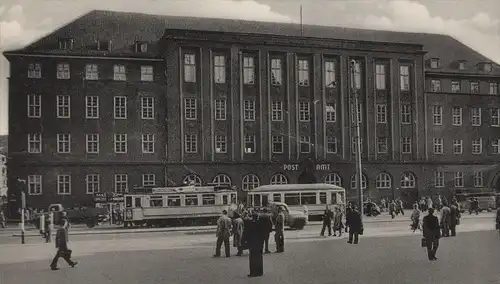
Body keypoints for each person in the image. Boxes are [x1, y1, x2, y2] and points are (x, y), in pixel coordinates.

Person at [247, 212, 264, 277]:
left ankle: (253, 272)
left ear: (252, 217)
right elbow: (262, 235)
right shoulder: (260, 224)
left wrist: (248, 243)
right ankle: (260, 272)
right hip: (259, 243)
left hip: (252, 244)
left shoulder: (250, 224)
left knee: (252, 258)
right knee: (259, 258)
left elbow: (248, 235)